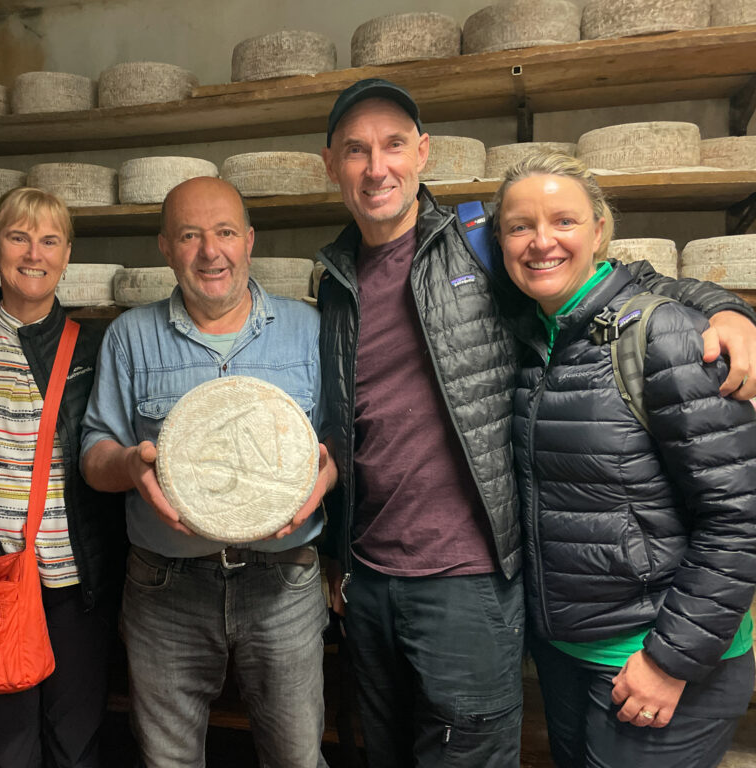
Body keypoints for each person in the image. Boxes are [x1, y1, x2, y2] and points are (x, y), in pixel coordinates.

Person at [315, 77, 756, 767]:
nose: (377, 167)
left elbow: (616, 278)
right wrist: (337, 555)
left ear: (422, 151)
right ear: (330, 163)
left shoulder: (478, 244)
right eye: (356, 150)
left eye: (394, 144)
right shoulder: (334, 277)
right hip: (372, 578)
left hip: (466, 575)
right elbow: (352, 421)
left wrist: (729, 310)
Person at [496, 150, 756, 767]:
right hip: (569, 652)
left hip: (661, 662)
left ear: (599, 230)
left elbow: (740, 516)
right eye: (519, 226)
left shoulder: (664, 334)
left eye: (563, 220)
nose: (541, 242)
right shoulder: (537, 334)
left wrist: (670, 660)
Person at [79, 176, 336, 768]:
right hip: (166, 589)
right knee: (168, 761)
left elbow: (344, 443)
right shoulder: (129, 338)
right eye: (190, 236)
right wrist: (128, 464)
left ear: (249, 241)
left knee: (297, 758)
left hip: (284, 584)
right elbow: (95, 454)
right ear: (166, 248)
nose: (210, 251)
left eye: (224, 233)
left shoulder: (309, 330)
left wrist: (329, 476)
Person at [0, 186, 125, 768]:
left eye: (49, 240)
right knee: (5, 745)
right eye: (18, 236)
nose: (33, 253)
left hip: (75, 583)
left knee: (76, 740)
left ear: (67, 254)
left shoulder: (93, 349)